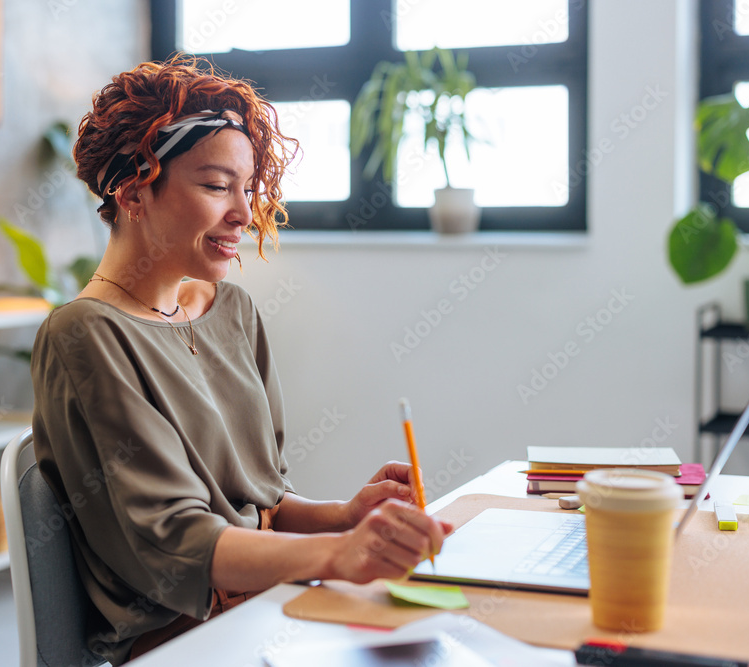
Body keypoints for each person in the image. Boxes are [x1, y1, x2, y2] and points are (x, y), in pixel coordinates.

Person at [30, 55, 452, 665]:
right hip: (185, 641)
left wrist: (344, 517)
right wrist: (338, 555)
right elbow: (183, 542)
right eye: (215, 185)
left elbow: (264, 506)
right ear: (133, 192)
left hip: (267, 607)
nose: (243, 212)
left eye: (248, 187)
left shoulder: (231, 310)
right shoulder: (85, 334)